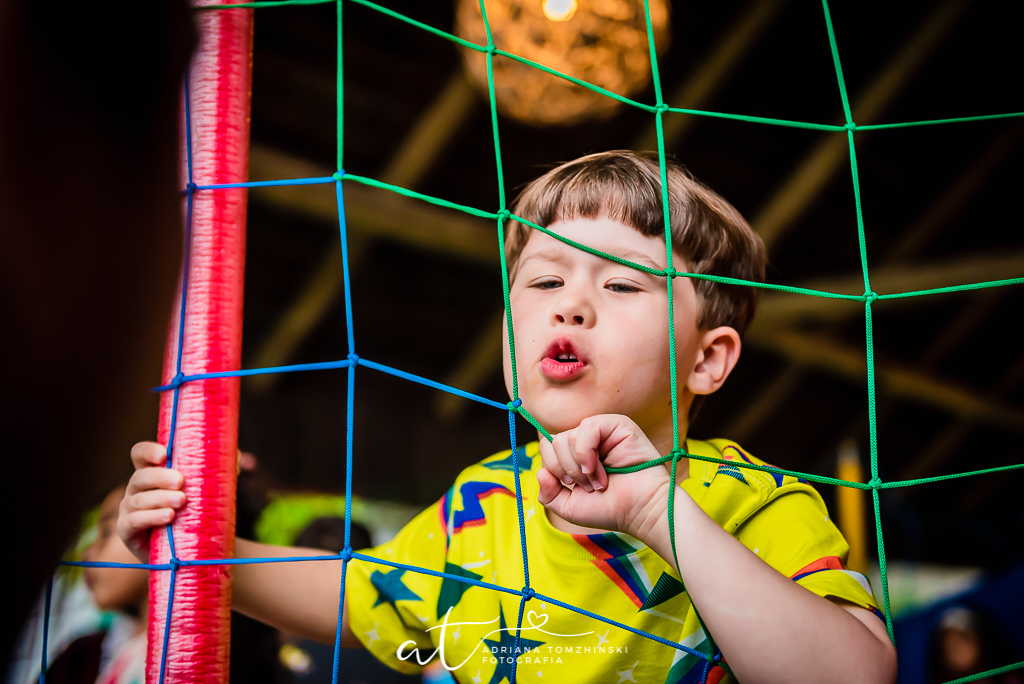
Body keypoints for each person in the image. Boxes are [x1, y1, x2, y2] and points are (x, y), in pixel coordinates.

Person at [118, 151, 897, 683]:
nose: (572, 304)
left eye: (623, 287)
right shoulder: (481, 503)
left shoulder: (753, 503)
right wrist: (202, 548)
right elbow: (360, 603)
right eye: (543, 281)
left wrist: (660, 513)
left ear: (708, 359)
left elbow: (857, 673)